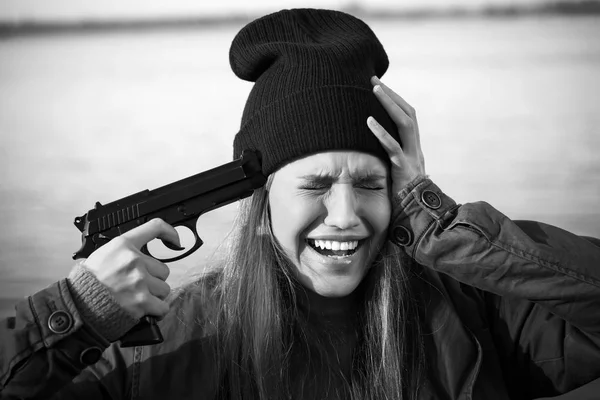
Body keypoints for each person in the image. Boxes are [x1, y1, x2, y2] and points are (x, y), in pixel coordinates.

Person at [1, 8, 599, 400]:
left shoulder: (475, 315)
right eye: (314, 186)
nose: (345, 215)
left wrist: (435, 219)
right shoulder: (166, 352)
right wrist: (75, 310)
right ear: (259, 209)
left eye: (371, 185)